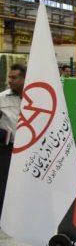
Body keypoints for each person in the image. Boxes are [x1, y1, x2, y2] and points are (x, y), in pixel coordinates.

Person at [0, 64, 25, 219]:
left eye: (14, 77)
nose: (10, 80)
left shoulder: (37, 96)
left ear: (24, 78)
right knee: (4, 187)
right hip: (7, 151)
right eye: (9, 77)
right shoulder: (2, 98)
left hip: (30, 151)